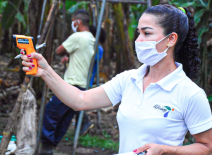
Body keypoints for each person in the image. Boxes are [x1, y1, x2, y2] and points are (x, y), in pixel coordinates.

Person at [20, 4, 212, 155]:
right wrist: (45, 71)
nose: (138, 41)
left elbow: (207, 147)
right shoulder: (129, 79)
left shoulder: (190, 93)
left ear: (171, 39)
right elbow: (80, 100)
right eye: (138, 33)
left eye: (147, 33)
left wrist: (166, 150)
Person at [37, 10, 96, 155]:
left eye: (73, 21)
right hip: (81, 84)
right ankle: (51, 145)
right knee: (65, 117)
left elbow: (59, 50)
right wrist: (70, 57)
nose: (72, 24)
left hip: (71, 83)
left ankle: (47, 146)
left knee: (51, 111)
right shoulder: (91, 39)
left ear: (77, 22)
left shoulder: (77, 37)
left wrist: (65, 53)